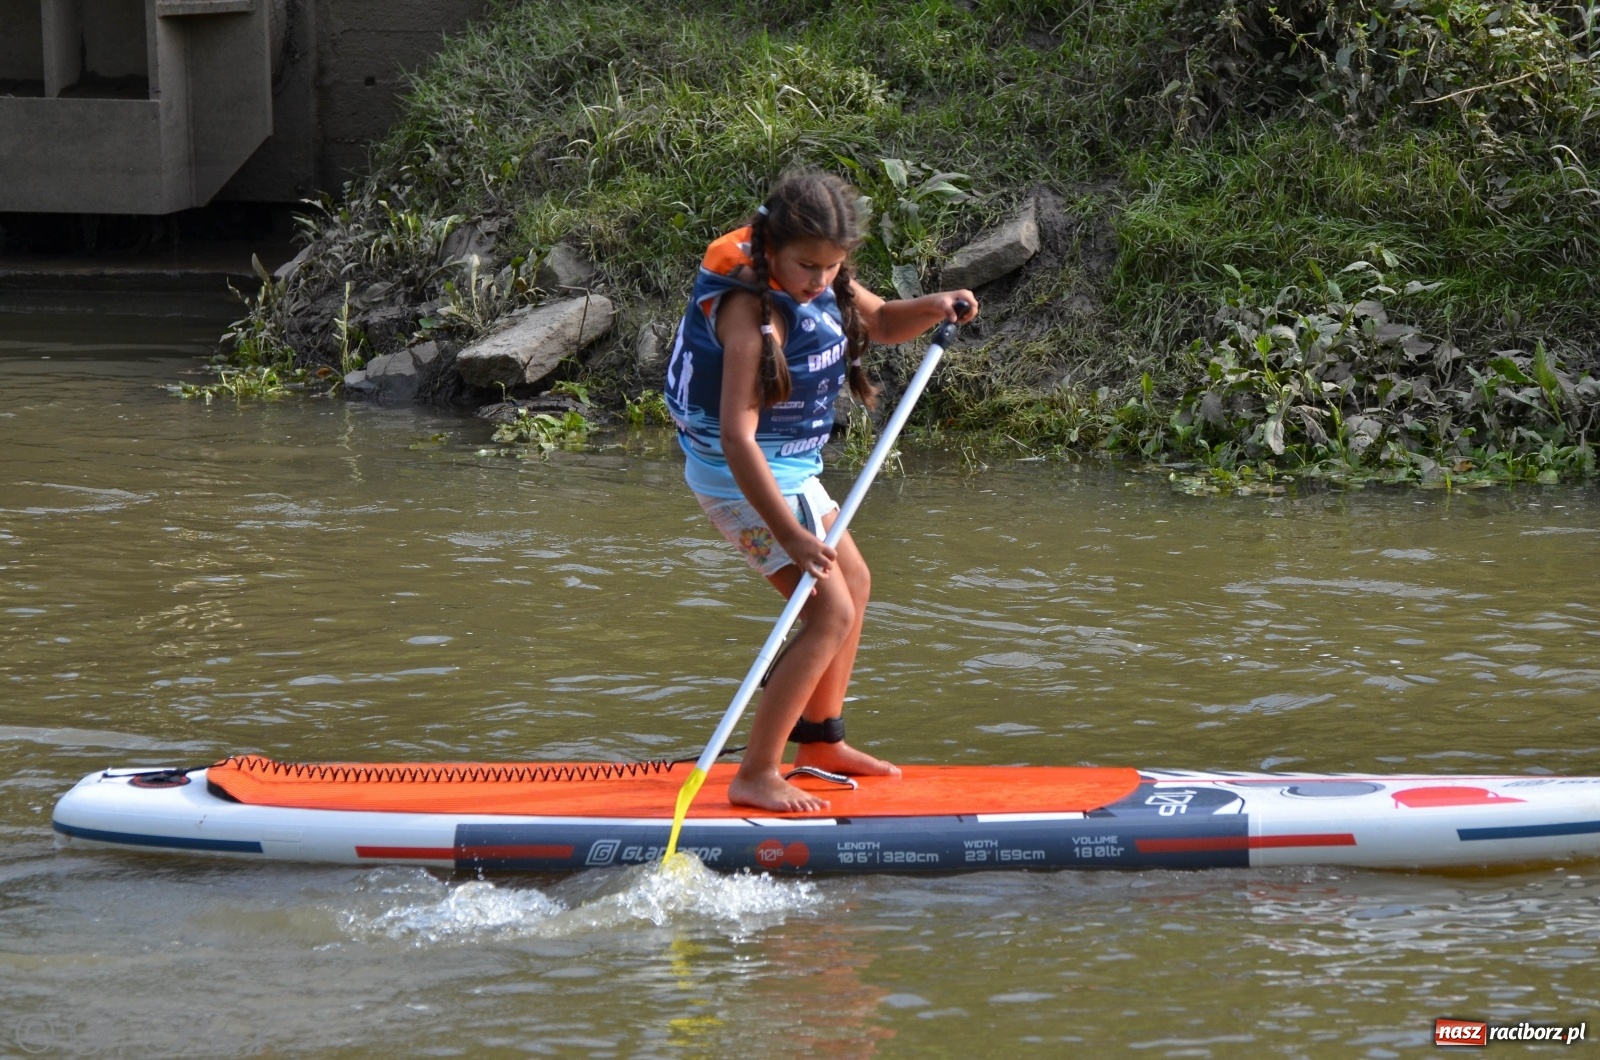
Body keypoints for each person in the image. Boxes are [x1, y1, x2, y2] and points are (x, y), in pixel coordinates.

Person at [664, 169, 978, 812]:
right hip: (742, 475)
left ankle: (820, 741)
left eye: (833, 268)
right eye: (807, 266)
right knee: (828, 612)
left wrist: (936, 305)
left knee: (854, 586)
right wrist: (788, 532)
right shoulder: (749, 313)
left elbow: (885, 323)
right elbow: (735, 436)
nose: (819, 281)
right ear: (769, 246)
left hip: (787, 467)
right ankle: (757, 772)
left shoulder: (822, 281)